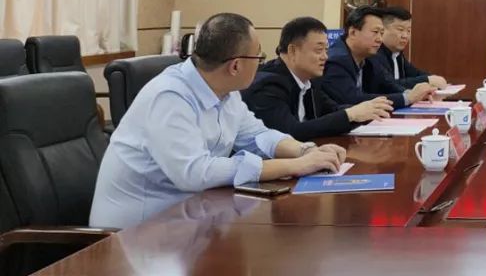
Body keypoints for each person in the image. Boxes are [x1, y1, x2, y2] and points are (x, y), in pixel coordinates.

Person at [90, 13, 346, 229]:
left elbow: (258, 135)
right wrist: (295, 166)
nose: (262, 63)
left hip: (193, 218)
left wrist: (305, 151)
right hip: (139, 234)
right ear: (235, 66)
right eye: (258, 57)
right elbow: (196, 173)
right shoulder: (169, 96)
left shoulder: (226, 91)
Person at [241, 16, 394, 141]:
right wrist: (351, 114)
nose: (325, 57)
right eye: (319, 50)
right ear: (292, 50)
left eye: (326, 50)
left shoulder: (310, 80)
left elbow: (332, 110)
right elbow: (290, 131)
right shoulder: (268, 85)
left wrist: (367, 111)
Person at [321, 6, 434, 108]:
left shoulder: (369, 56)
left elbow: (387, 84)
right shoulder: (336, 60)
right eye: (375, 32)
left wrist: (411, 94)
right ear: (353, 32)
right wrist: (407, 98)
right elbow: (352, 99)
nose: (380, 39)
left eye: (381, 33)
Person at [371, 6, 448, 90]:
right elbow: (388, 85)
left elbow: (415, 73)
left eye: (408, 31)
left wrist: (433, 78)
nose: (405, 36)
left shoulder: (397, 54)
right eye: (400, 30)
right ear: (383, 30)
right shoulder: (374, 54)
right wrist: (427, 80)